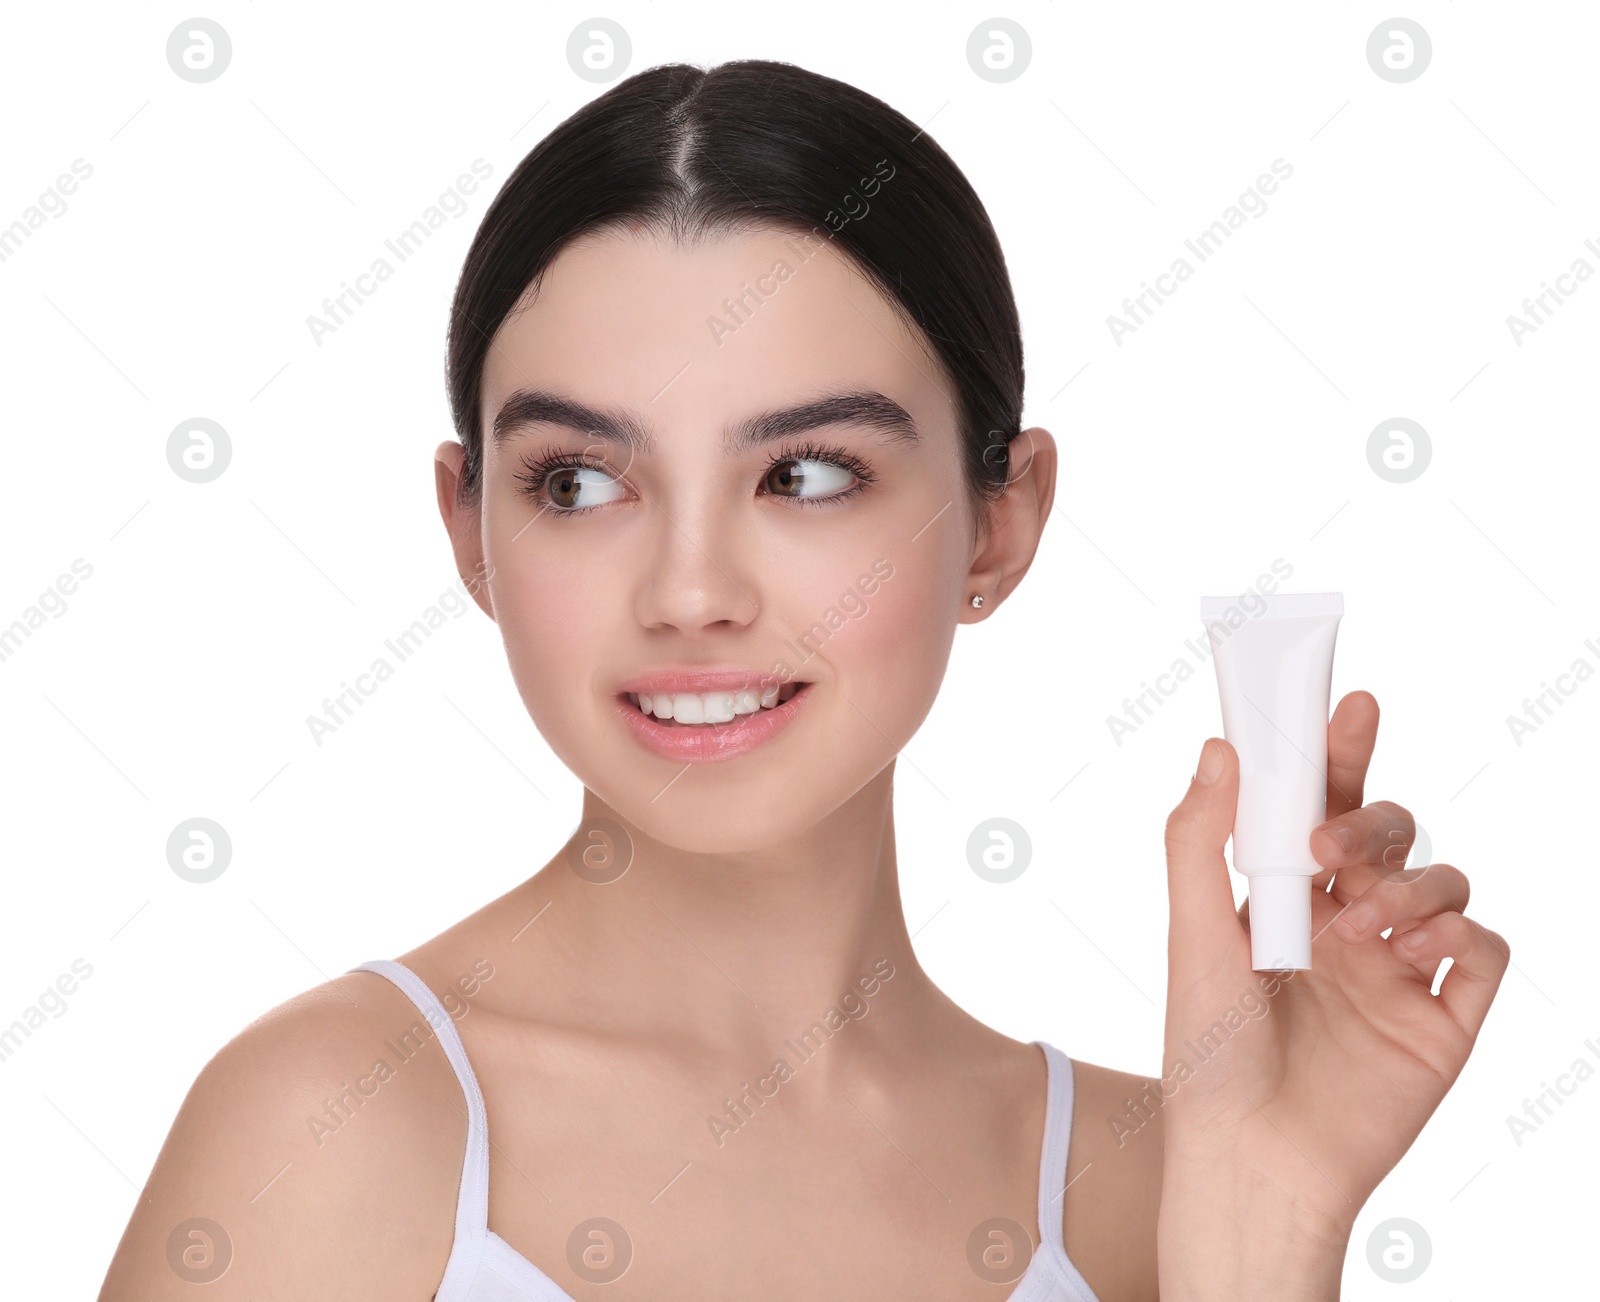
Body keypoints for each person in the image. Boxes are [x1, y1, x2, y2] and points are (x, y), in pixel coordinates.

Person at [99, 59, 1509, 1300]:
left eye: (809, 473)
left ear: (1002, 519)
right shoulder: (332, 1132)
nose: (692, 590)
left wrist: (1267, 1226)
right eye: (580, 481)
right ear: (470, 525)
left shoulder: (1154, 1189)